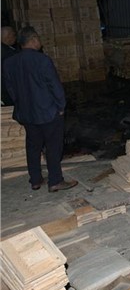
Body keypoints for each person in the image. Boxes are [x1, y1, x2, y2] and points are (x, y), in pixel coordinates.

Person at [2, 26, 78, 192]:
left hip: (26, 113)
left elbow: (10, 89)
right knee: (53, 146)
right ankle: (55, 180)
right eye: (39, 39)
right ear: (34, 39)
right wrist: (61, 106)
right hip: (47, 112)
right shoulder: (42, 60)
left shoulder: (9, 63)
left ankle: (35, 180)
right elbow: (55, 86)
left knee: (33, 146)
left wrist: (21, 103)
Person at [1, 25, 19, 106]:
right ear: (8, 36)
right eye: (14, 35)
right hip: (7, 90)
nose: (15, 38)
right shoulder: (8, 53)